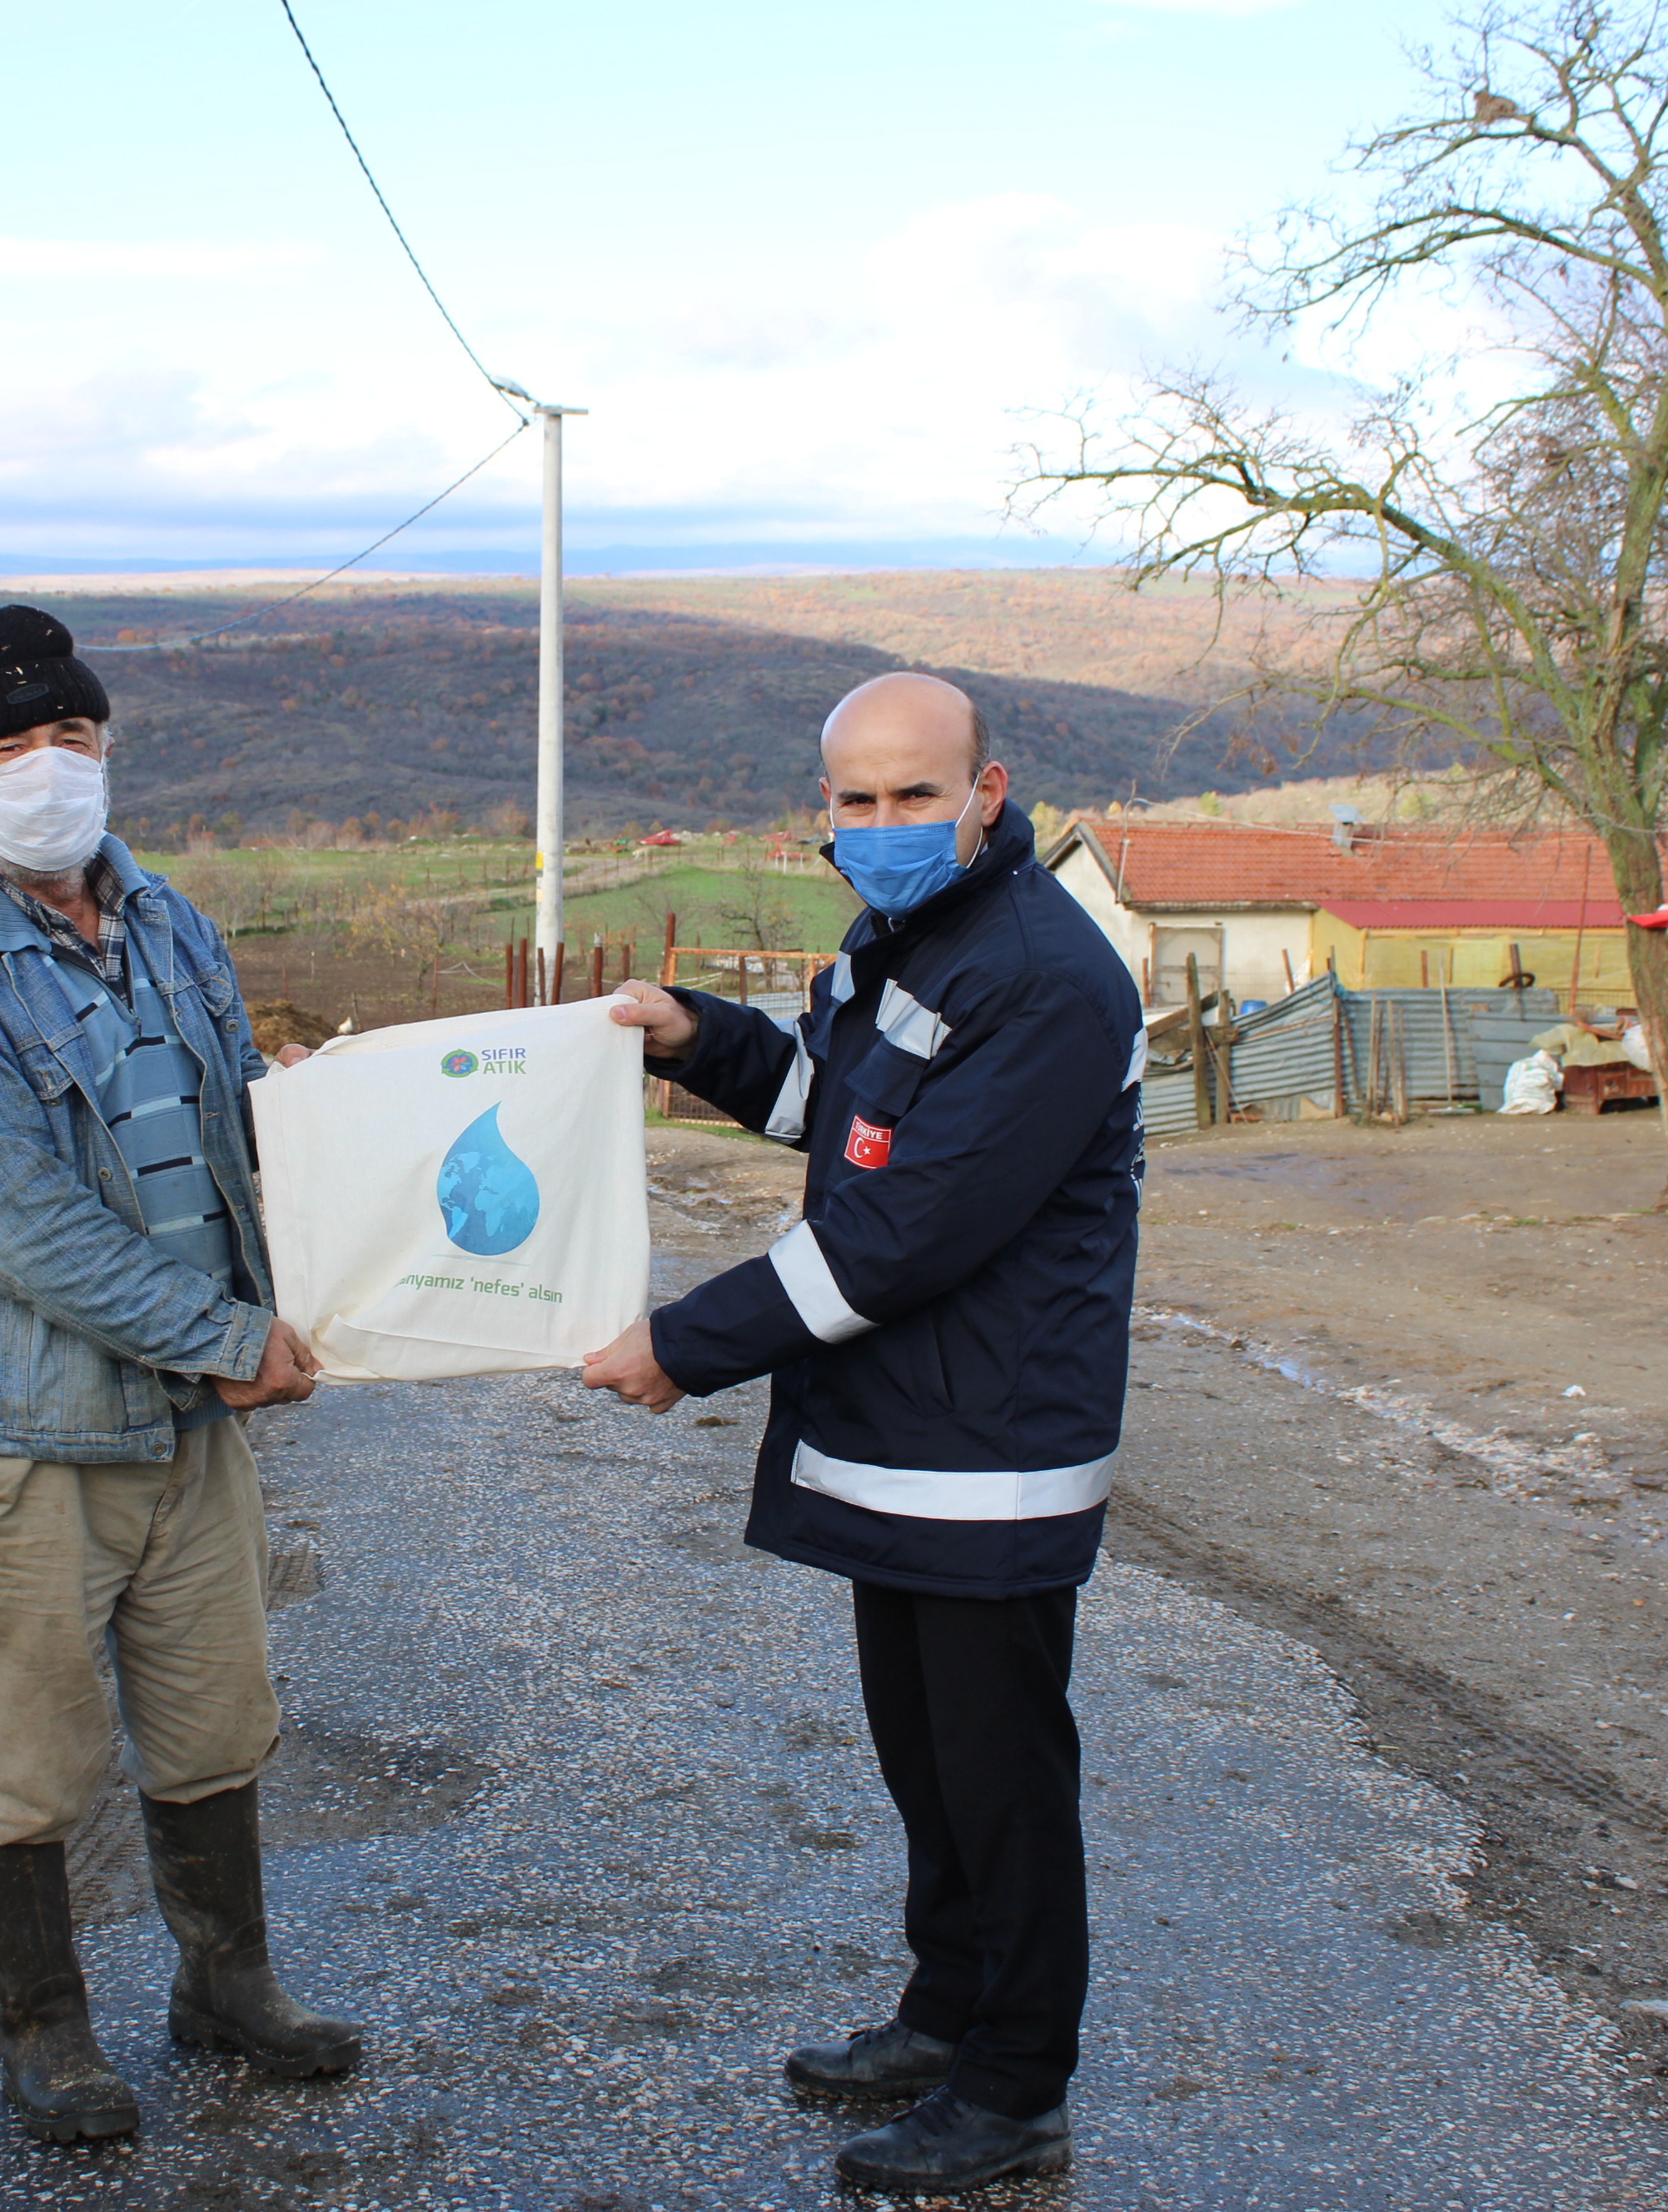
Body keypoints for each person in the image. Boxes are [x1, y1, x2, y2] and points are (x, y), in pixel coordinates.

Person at [583, 671, 1143, 2195]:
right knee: (928, 1764)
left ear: (986, 788)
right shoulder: (910, 933)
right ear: (823, 804)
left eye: (915, 793)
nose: (884, 824)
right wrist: (696, 1038)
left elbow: (900, 1234)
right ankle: (945, 2011)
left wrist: (682, 1348)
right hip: (903, 1435)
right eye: (856, 799)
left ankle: (1018, 2086)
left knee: (1003, 1781)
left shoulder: (1039, 973)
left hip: (993, 1448)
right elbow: (843, 1118)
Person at [0, 604, 359, 2146]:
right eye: (10, 749)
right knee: (26, 1754)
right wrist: (229, 1339)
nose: (47, 768)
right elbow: (18, 1228)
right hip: (26, 1434)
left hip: (185, 1430)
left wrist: (367, 1217)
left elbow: (254, 1128)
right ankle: (45, 2033)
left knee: (216, 1724)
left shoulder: (172, 924)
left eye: (69, 737)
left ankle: (226, 1987)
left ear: (106, 749)